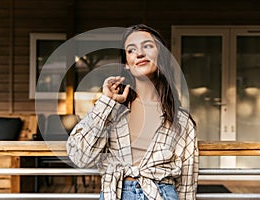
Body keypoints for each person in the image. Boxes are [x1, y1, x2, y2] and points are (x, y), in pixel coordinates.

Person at [67, 24, 199, 200]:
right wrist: (107, 102)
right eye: (131, 50)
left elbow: (187, 185)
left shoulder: (181, 120)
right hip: (117, 194)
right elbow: (79, 156)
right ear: (126, 64)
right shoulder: (112, 110)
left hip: (162, 194)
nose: (139, 53)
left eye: (148, 46)